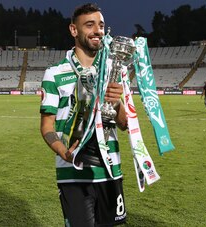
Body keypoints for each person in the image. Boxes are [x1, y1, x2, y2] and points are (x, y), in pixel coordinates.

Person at [40, 3, 127, 226]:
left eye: (101, 25)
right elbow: (47, 127)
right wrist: (64, 153)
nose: (97, 30)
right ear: (74, 30)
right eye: (89, 25)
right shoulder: (54, 74)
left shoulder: (114, 69)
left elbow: (126, 124)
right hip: (73, 173)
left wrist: (116, 104)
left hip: (110, 170)